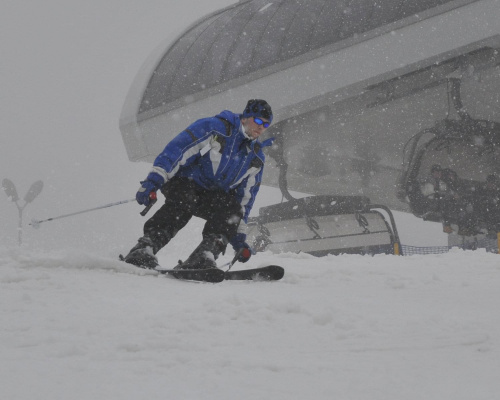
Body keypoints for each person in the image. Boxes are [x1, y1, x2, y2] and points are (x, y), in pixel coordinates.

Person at [122, 99, 274, 270]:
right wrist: (153, 182)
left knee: (232, 208)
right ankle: (146, 247)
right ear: (246, 117)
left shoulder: (255, 158)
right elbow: (178, 150)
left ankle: (205, 255)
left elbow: (245, 199)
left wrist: (238, 239)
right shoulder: (215, 128)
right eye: (258, 120)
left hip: (210, 196)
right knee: (186, 199)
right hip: (184, 182)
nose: (261, 127)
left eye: (266, 124)